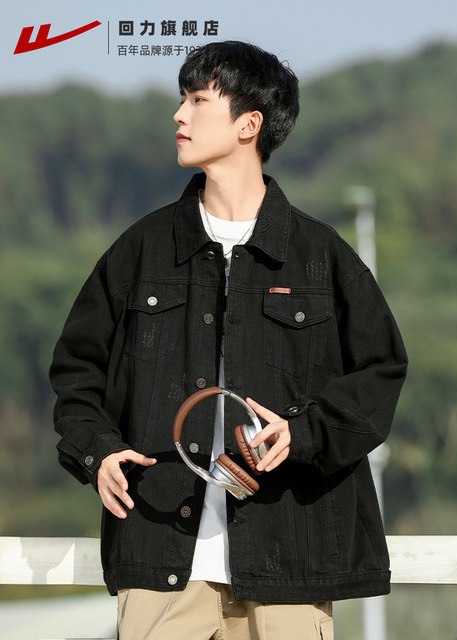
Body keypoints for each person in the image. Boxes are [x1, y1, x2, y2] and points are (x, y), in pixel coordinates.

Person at [50, 41, 408, 640]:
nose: (178, 115)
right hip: (159, 556)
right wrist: (98, 451)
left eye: (197, 100)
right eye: (181, 99)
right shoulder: (141, 250)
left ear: (249, 124)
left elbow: (382, 373)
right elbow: (76, 370)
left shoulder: (321, 257)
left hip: (290, 559)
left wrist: (303, 433)